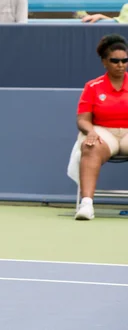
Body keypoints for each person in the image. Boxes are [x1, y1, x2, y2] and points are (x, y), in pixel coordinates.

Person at [74, 34, 128, 220]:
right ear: (105, 62)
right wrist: (91, 132)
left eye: (124, 60)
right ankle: (87, 205)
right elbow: (82, 119)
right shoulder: (93, 86)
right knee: (90, 147)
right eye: (115, 61)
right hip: (104, 132)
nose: (121, 65)